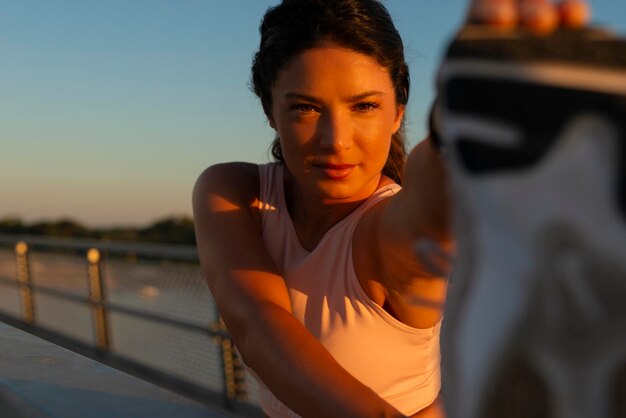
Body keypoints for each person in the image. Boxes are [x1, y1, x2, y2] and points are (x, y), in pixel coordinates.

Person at [193, 0, 592, 417]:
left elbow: (430, 196)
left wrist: (465, 119)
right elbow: (257, 327)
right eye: (305, 108)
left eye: (364, 106)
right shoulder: (234, 192)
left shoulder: (387, 234)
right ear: (269, 110)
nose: (337, 140)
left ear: (398, 112)